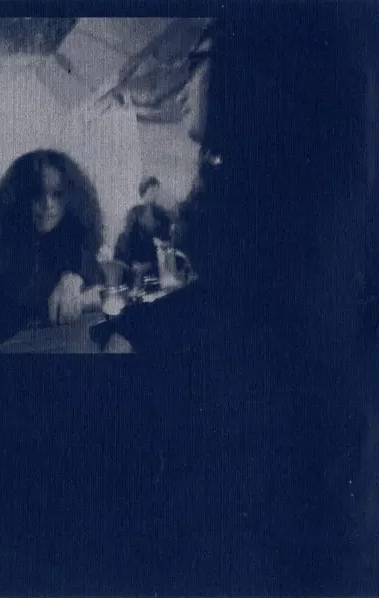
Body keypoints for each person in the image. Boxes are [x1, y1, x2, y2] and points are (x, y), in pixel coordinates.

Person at [94, 11, 375, 595]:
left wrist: (146, 328)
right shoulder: (300, 193)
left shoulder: (297, 212)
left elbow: (249, 319)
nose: (185, 85)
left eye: (203, 60)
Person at [0, 149, 105, 344]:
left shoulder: (71, 237)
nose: (48, 204)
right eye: (36, 194)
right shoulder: (0, 242)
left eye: (57, 195)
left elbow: (103, 288)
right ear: (19, 196)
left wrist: (74, 280)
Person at [113, 176, 172, 280]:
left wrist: (162, 244)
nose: (155, 194)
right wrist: (132, 263)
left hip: (156, 259)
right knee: (122, 238)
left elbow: (168, 238)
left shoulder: (161, 213)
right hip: (136, 257)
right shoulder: (134, 212)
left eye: (156, 191)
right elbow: (127, 237)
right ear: (144, 192)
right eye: (152, 190)